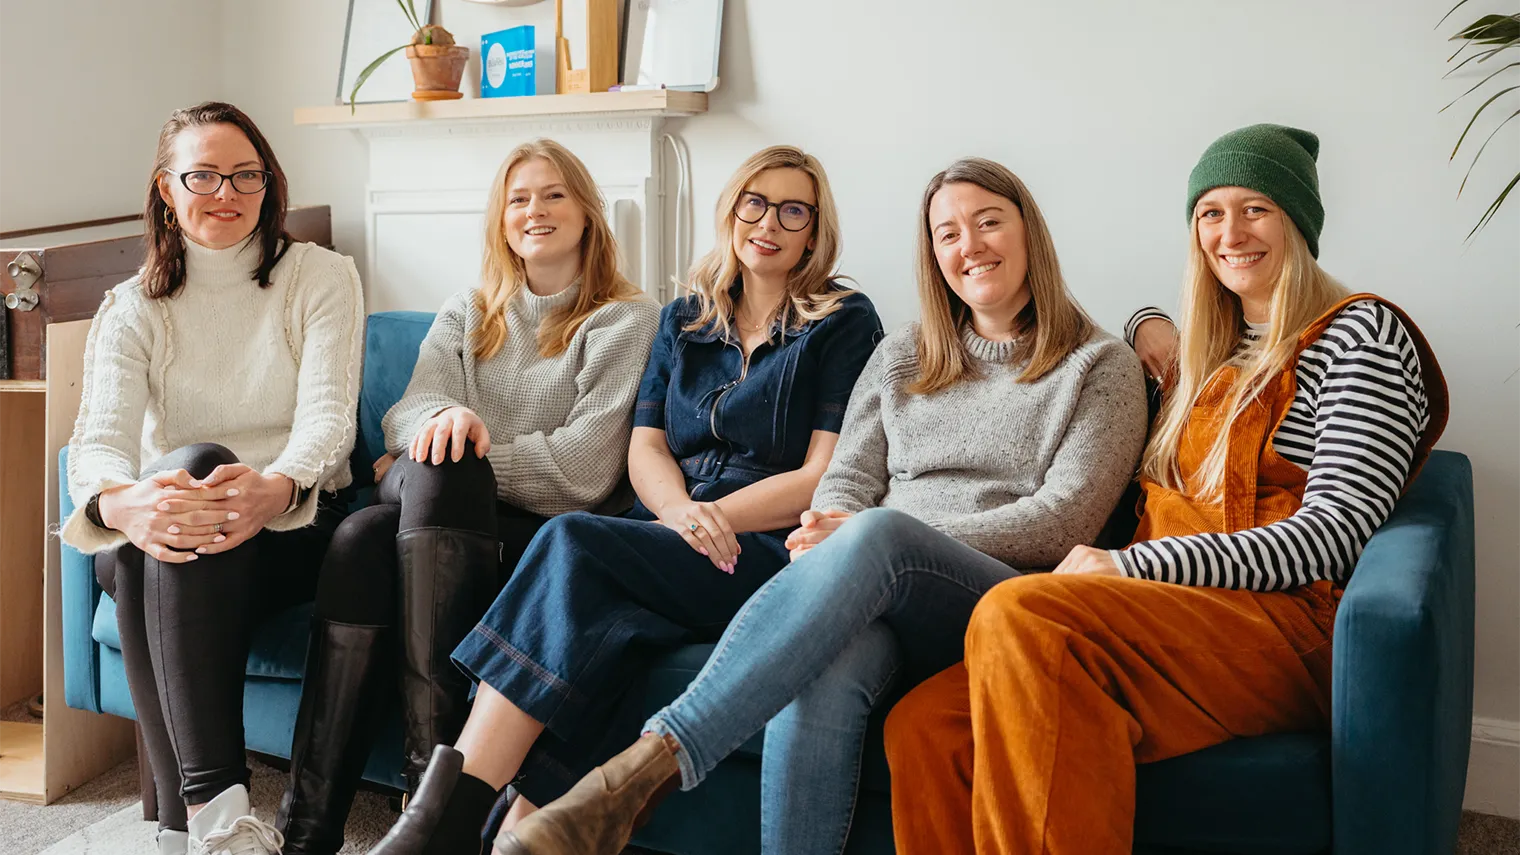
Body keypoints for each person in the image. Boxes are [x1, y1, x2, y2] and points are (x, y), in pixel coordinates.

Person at [485, 157, 1151, 855]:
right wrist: (830, 533)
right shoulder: (904, 356)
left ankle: (640, 773)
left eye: (989, 223)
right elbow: (842, 483)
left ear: (1029, 234)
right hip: (876, 583)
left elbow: (1064, 519)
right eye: (948, 233)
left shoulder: (1099, 365)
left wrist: (875, 533)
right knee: (825, 671)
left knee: (884, 533)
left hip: (998, 595)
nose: (970, 246)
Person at [883, 124, 1450, 855]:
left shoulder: (1360, 336)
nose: (1230, 231)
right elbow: (1145, 335)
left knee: (1023, 615)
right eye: (1210, 212)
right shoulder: (1213, 357)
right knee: (925, 725)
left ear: (1299, 223)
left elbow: (1332, 536)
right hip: (1168, 619)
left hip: (1285, 627)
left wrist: (1130, 565)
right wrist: (1147, 322)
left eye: (1257, 209)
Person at [367, 144, 884, 855]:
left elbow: (825, 470)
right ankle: (516, 833)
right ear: (730, 212)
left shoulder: (845, 322)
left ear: (814, 228)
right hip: (668, 530)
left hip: (759, 546)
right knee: (613, 635)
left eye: (794, 210)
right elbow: (647, 447)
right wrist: (677, 512)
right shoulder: (684, 318)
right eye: (754, 203)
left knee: (571, 539)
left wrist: (715, 517)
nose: (770, 222)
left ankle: (442, 818)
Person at [275, 139, 659, 854]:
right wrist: (440, 429)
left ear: (586, 212)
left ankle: (434, 805)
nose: (534, 211)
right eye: (518, 198)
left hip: (543, 542)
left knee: (427, 483)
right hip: (437, 521)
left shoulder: (626, 318)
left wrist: (459, 450)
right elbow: (409, 410)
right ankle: (308, 832)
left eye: (553, 195)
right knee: (363, 533)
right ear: (500, 217)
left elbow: (583, 469)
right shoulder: (470, 309)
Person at [62, 101, 364, 855]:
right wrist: (125, 501)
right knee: (162, 503)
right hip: (185, 527)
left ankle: (187, 825)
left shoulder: (320, 277)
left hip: (292, 526)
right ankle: (217, 824)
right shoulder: (131, 307)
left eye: (245, 175)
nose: (225, 193)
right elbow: (96, 443)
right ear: (167, 188)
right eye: (203, 175)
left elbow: (329, 421)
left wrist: (278, 485)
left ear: (269, 184)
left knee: (141, 544)